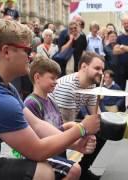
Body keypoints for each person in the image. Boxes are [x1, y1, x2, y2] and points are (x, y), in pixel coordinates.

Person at [0, 19, 100, 180]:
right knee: (43, 172)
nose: (31, 55)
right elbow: (37, 151)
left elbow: (37, 125)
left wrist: (74, 142)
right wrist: (80, 129)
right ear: (6, 52)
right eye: (27, 49)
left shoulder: (2, 86)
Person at [24, 56, 97, 178]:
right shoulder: (31, 103)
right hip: (41, 155)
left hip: (56, 152)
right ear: (37, 77)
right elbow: (35, 136)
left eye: (56, 78)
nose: (56, 81)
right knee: (73, 170)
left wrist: (70, 126)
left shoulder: (51, 101)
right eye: (52, 78)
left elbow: (56, 129)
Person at [50, 52, 105, 180]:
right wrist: (85, 134)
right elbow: (66, 127)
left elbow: (97, 116)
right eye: (97, 68)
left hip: (66, 127)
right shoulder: (68, 86)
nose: (101, 72)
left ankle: (84, 169)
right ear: (84, 67)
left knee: (103, 129)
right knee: (64, 171)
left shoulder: (91, 85)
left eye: (102, 69)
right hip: (51, 131)